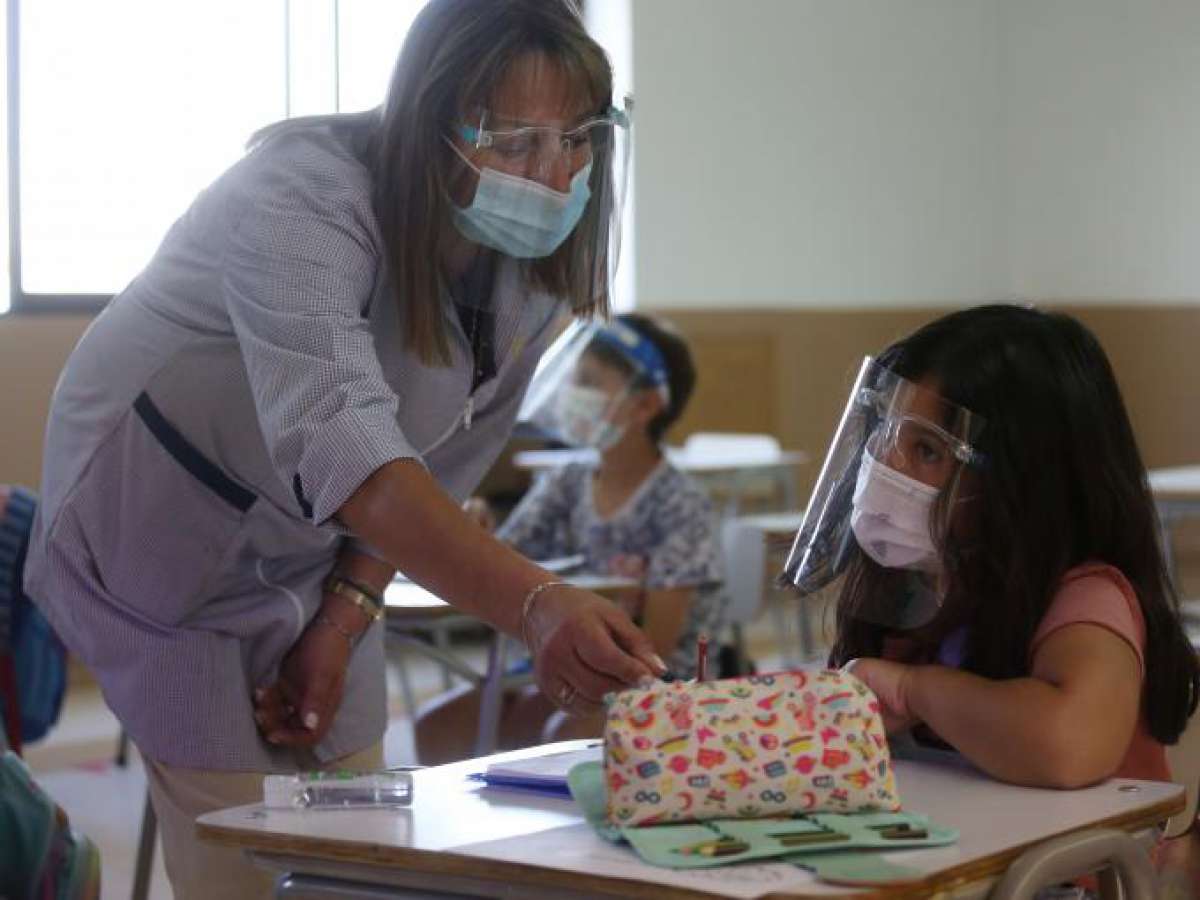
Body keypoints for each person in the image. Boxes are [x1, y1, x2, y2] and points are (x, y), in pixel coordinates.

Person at [24, 2, 664, 896]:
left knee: (362, 840)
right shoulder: (300, 196)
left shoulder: (533, 260)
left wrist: (346, 611)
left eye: (579, 139)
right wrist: (536, 604)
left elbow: (445, 456)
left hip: (315, 545)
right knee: (247, 847)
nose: (554, 176)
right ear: (430, 122)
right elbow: (346, 442)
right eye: (515, 142)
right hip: (154, 533)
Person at [782, 304, 1199, 883]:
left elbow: (1067, 743)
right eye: (885, 435)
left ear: (1024, 478)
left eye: (926, 451)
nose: (886, 468)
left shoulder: (1086, 597)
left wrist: (912, 689)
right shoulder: (922, 589)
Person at [419, 314, 727, 763]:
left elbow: (656, 648)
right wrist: (477, 530)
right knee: (439, 727)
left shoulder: (680, 504)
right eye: (573, 379)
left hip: (662, 686)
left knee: (560, 734)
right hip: (568, 667)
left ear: (644, 406)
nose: (572, 394)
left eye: (589, 382)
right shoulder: (568, 481)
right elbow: (503, 560)